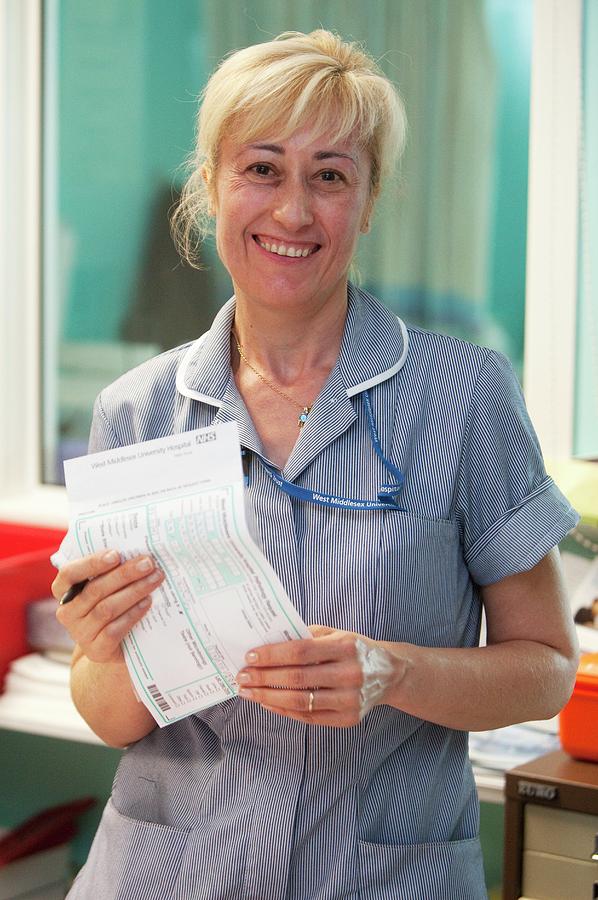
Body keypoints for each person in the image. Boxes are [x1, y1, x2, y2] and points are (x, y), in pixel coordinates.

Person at [52, 30, 579, 900]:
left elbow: (547, 667)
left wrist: (395, 672)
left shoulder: (464, 396)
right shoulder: (138, 411)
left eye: (330, 175)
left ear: (367, 203)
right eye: (262, 168)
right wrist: (102, 648)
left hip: (377, 876)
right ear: (211, 184)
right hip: (169, 875)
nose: (292, 212)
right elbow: (117, 716)